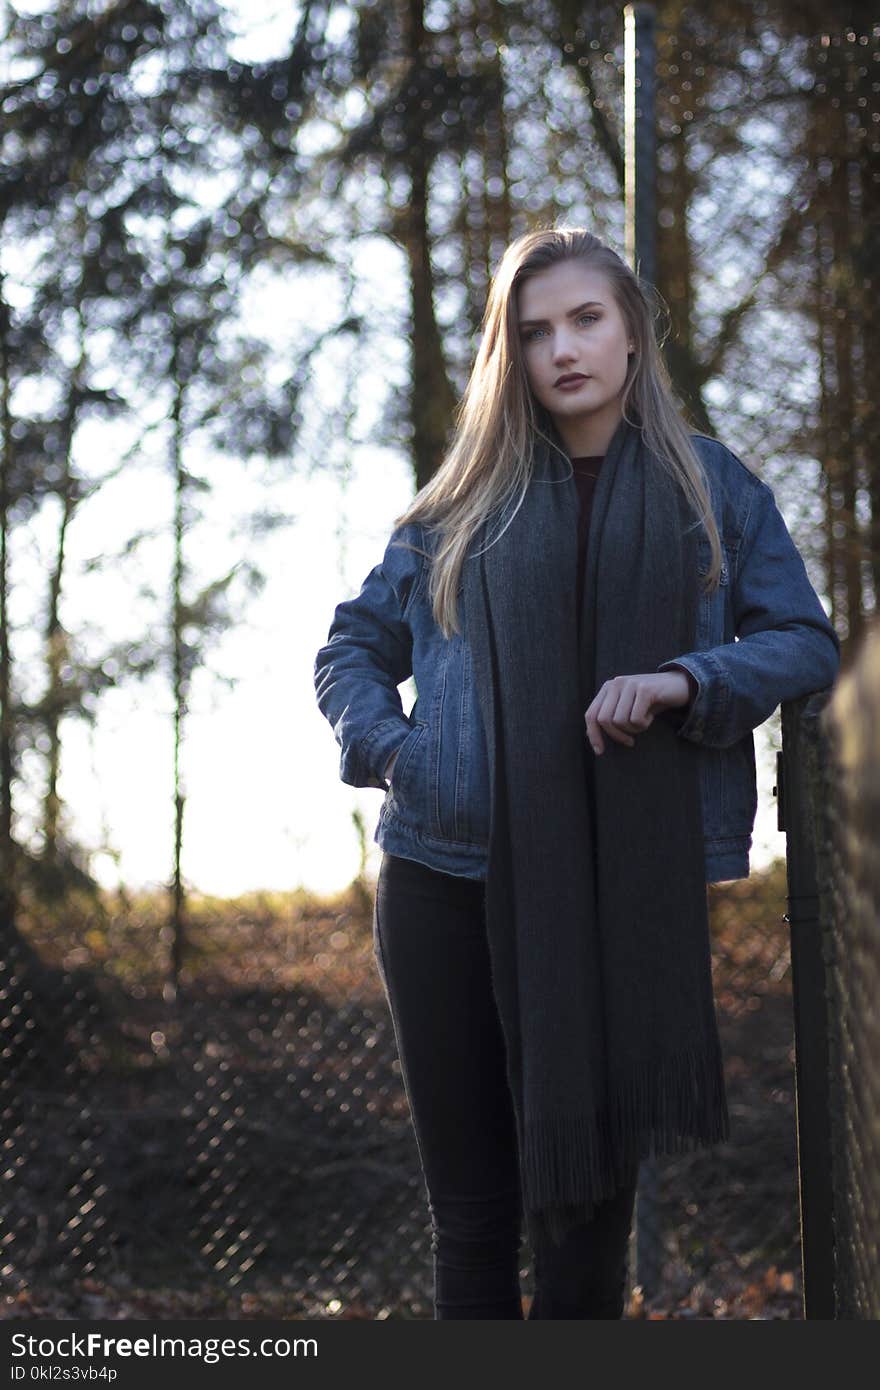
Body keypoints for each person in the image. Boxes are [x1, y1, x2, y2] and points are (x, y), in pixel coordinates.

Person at [313, 227, 841, 1319]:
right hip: (445, 876)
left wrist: (687, 679)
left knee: (584, 1237)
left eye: (586, 319)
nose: (562, 348)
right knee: (472, 1218)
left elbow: (801, 639)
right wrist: (398, 753)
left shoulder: (714, 489)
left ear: (633, 331)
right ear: (509, 352)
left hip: (623, 889)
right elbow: (352, 646)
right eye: (534, 328)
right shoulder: (463, 499)